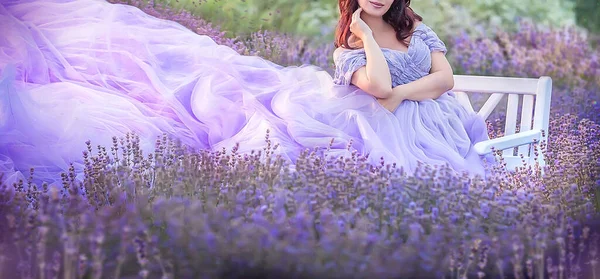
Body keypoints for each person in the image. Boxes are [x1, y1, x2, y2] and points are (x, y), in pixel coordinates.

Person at [0, 0, 496, 187]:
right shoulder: (350, 45)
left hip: (438, 123)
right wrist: (367, 40)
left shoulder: (414, 26)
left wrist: (406, 94)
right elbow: (381, 89)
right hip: (388, 123)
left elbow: (445, 81)